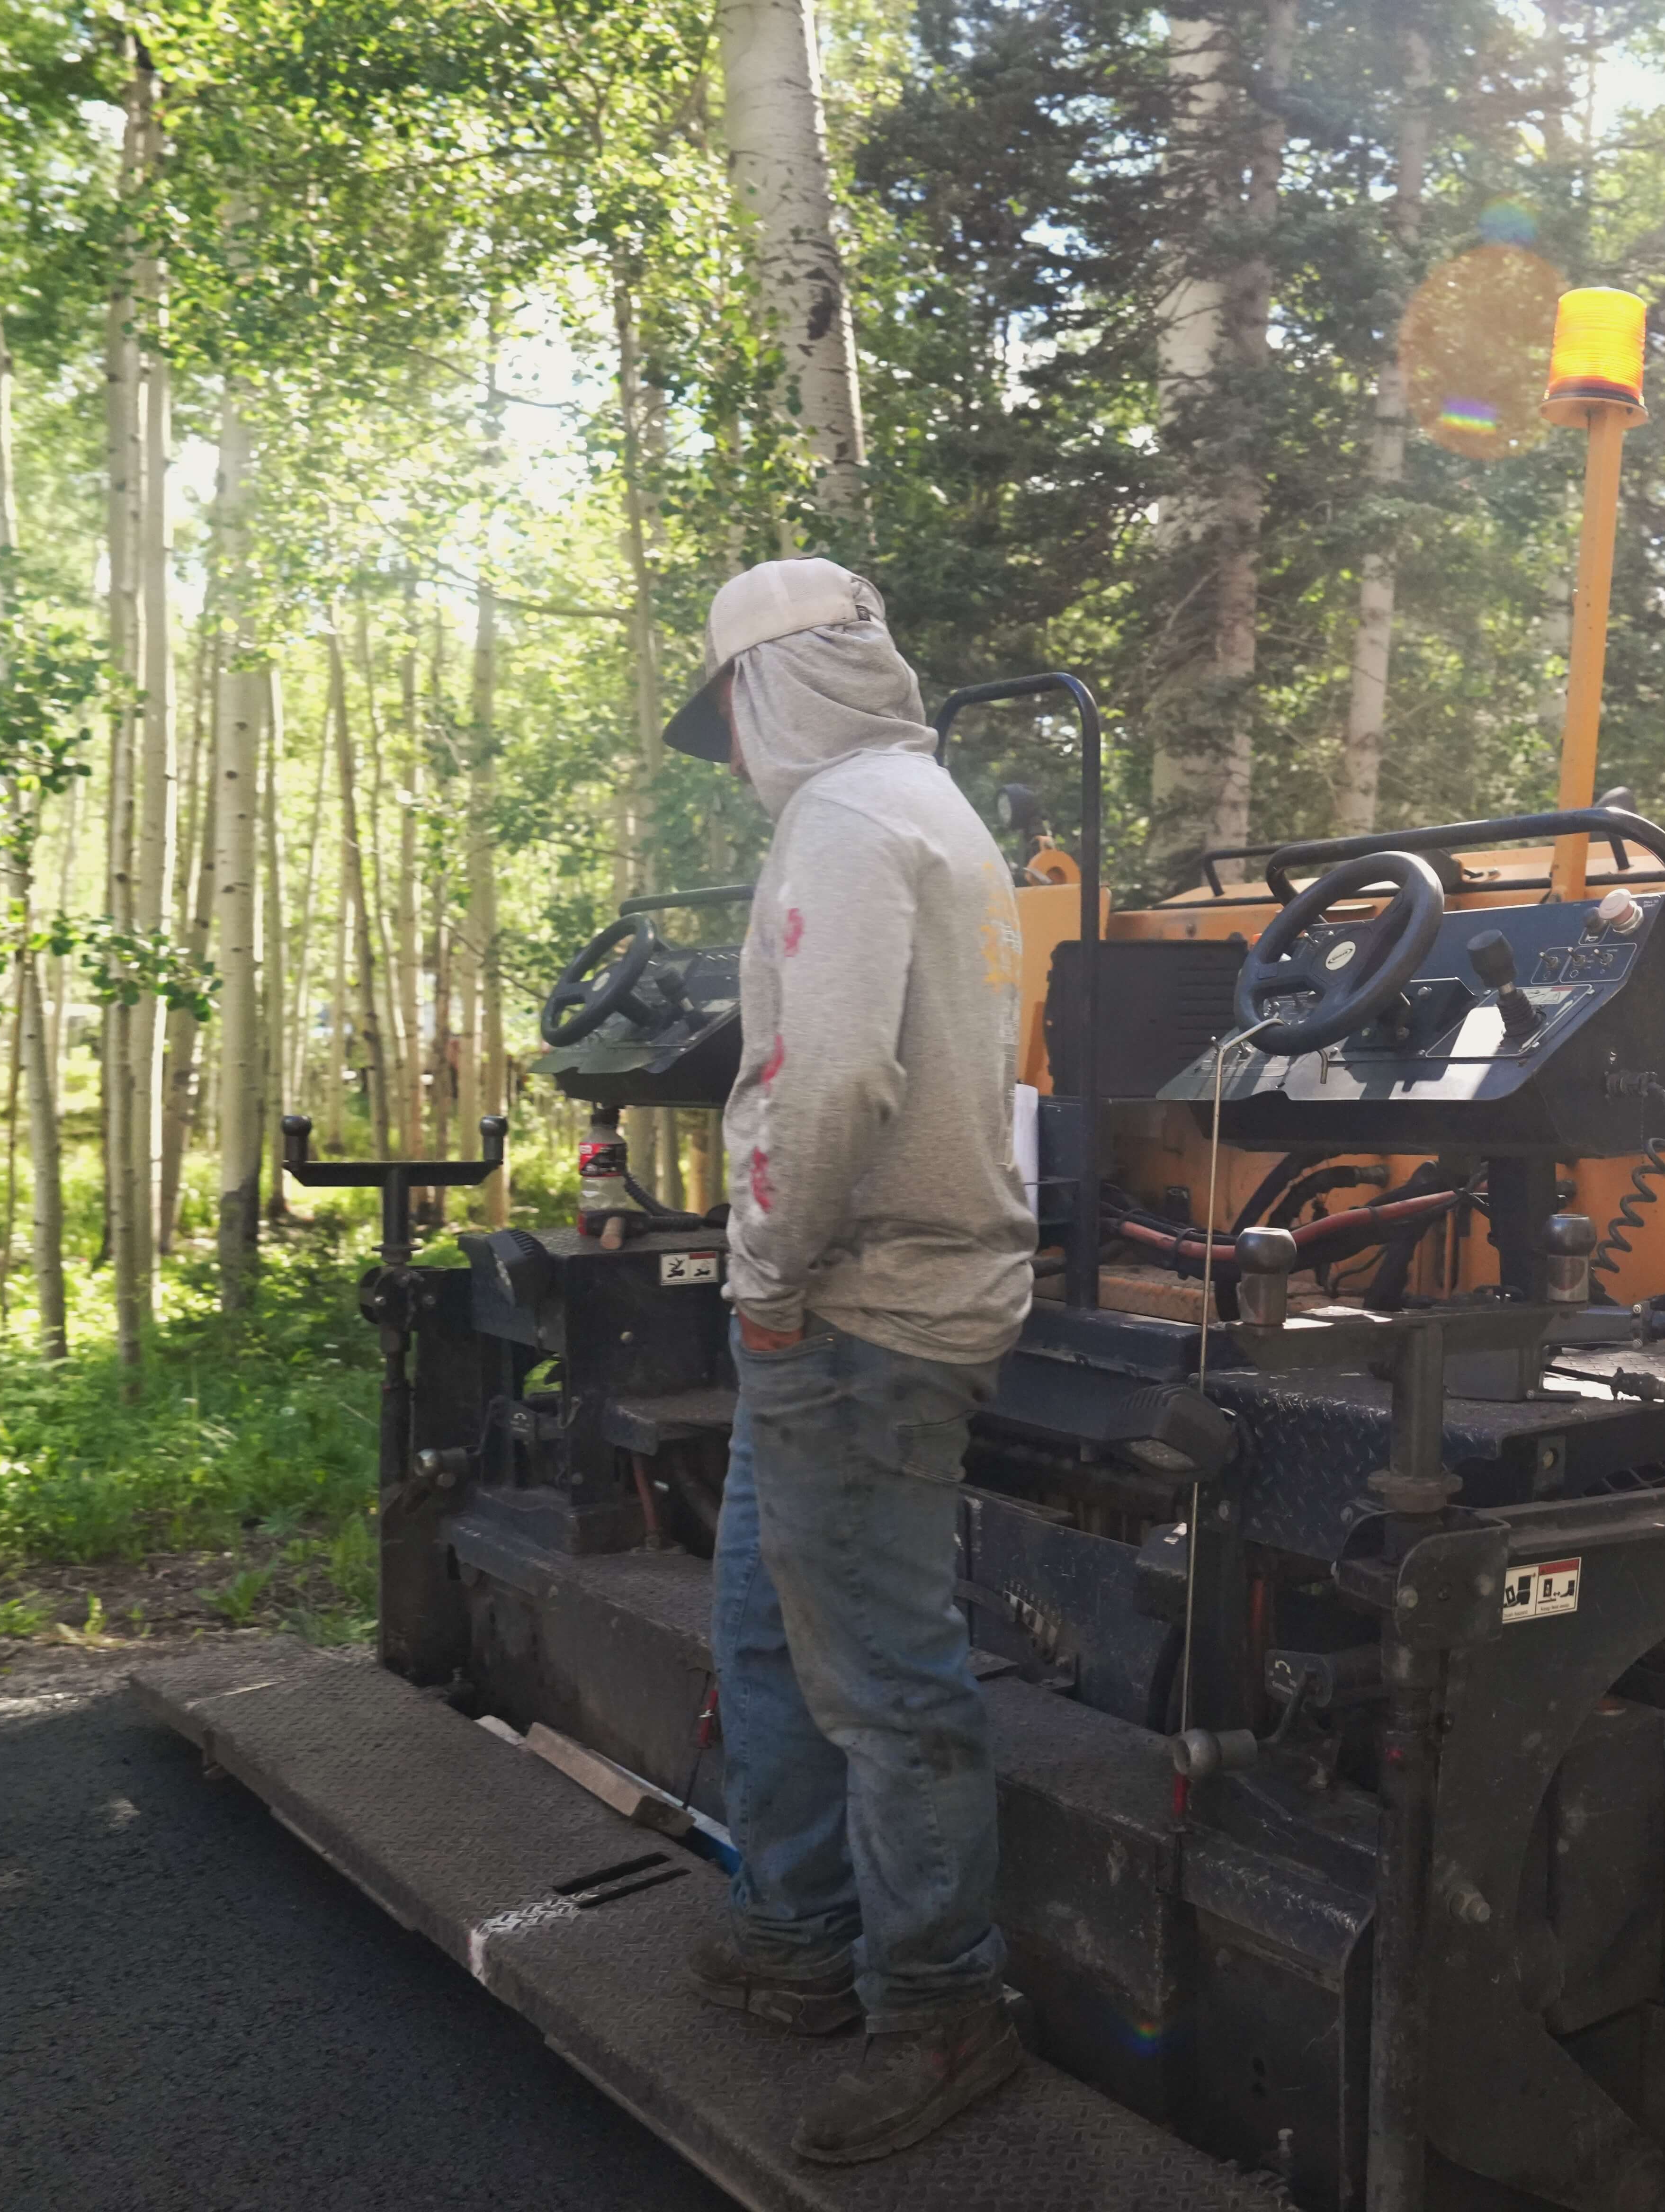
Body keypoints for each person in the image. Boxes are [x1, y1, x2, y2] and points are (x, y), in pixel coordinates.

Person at [661, 558, 1038, 2164]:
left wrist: (760, 1283)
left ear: (773, 689)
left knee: (883, 1682)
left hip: (856, 1312)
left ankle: (944, 2004)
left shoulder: (842, 824)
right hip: (866, 1301)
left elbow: (823, 1091)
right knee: (764, 1628)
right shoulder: (936, 810)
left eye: (731, 721)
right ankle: (797, 1938)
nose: (734, 764)